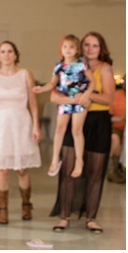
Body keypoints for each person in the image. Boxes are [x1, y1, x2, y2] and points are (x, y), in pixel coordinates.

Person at [49, 31, 116, 234]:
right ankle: (64, 216)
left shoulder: (104, 68)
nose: (90, 49)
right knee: (68, 170)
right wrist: (73, 99)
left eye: (95, 45)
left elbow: (109, 98)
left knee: (95, 173)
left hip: (97, 122)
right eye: (87, 44)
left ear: (101, 48)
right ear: (80, 47)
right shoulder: (70, 65)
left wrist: (89, 96)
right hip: (74, 119)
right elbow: (54, 95)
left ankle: (91, 218)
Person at [0, 41, 42, 225]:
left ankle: (26, 204)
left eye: (10, 51)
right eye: (3, 52)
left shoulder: (25, 74)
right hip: (1, 122)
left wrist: (36, 125)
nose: (6, 55)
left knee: (22, 168)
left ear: (16, 55)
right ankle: (3, 209)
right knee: (2, 169)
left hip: (21, 121)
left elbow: (33, 102)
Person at [34, 35, 93, 179]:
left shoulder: (82, 63)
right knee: (59, 128)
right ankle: (55, 158)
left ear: (77, 49)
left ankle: (79, 160)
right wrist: (42, 89)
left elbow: (92, 81)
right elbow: (52, 83)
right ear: (61, 49)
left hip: (79, 100)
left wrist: (86, 95)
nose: (68, 50)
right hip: (64, 100)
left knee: (76, 130)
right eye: (65, 46)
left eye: (71, 47)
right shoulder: (59, 65)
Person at [108, 87, 126, 184]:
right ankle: (112, 171)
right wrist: (122, 118)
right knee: (114, 138)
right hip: (116, 128)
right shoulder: (115, 96)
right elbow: (107, 117)